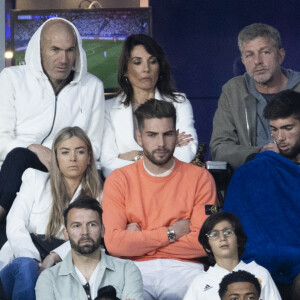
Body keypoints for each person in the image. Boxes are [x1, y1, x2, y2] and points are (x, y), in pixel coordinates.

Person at [102, 99, 217, 299]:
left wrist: (139, 240)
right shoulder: (118, 180)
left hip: (186, 269)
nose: (161, 144)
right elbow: (114, 244)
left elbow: (204, 243)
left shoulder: (200, 178)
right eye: (152, 135)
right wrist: (171, 233)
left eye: (168, 134)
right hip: (133, 268)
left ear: (176, 134)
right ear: (139, 137)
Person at [0, 17, 105, 220]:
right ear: (39, 50)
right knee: (18, 157)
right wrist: (34, 149)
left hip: (68, 167)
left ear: (77, 51)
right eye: (55, 50)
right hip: (14, 166)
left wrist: (59, 157)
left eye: (69, 50)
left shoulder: (93, 87)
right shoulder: (11, 78)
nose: (63, 60)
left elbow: (95, 145)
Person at [0, 126, 101, 300]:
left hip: (65, 265)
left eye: (80, 152)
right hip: (21, 260)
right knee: (26, 268)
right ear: (55, 156)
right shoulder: (34, 178)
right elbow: (15, 222)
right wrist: (33, 261)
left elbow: (94, 238)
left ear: (89, 156)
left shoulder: (99, 195)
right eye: (65, 152)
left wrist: (53, 257)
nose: (72, 158)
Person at [223, 90, 300, 299]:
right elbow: (234, 225)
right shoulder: (257, 168)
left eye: (288, 128)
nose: (280, 138)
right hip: (261, 265)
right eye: (274, 130)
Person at [100, 34, 198, 178]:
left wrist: (134, 156)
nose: (146, 69)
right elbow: (108, 165)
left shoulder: (179, 102)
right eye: (137, 62)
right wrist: (165, 151)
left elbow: (187, 152)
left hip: (171, 184)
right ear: (126, 70)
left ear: (159, 66)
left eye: (152, 61)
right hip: (127, 189)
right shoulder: (108, 109)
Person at [210, 23, 300, 170]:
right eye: (249, 55)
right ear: (243, 61)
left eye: (265, 52)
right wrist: (259, 153)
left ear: (280, 55)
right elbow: (219, 148)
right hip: (253, 176)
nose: (257, 61)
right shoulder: (233, 91)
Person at [36, 198, 143, 300]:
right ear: (66, 233)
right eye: (76, 226)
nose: (85, 232)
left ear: (102, 230)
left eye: (92, 224)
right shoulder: (49, 279)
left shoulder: (126, 270)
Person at [184, 212, 281, 300]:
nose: (222, 238)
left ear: (238, 239)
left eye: (228, 232)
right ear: (207, 247)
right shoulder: (200, 282)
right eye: (214, 234)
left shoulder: (260, 273)